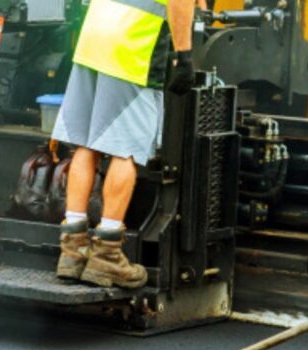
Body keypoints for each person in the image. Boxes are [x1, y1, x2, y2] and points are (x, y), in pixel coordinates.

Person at [48, 0, 198, 288]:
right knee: (125, 148)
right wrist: (184, 55)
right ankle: (106, 254)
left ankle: (72, 250)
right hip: (132, 48)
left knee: (85, 144)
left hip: (94, 40)